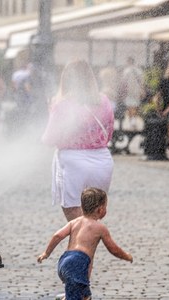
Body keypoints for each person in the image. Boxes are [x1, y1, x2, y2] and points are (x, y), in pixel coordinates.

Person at [42, 60, 114, 222]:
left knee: (75, 218)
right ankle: (87, 247)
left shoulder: (63, 105)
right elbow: (109, 134)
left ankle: (77, 247)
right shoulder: (104, 101)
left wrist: (51, 111)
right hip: (102, 160)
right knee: (93, 218)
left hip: (73, 162)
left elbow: (49, 138)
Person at [37, 187, 133, 300]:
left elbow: (57, 236)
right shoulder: (100, 228)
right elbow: (113, 249)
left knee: (85, 295)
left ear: (82, 207)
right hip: (78, 263)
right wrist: (126, 256)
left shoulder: (74, 222)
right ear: (101, 210)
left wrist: (46, 253)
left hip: (63, 262)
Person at [119, 57, 145, 130]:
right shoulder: (139, 71)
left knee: (130, 107)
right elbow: (142, 82)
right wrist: (142, 90)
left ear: (129, 62)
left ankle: (132, 123)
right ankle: (133, 122)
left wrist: (122, 92)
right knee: (135, 107)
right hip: (136, 91)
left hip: (129, 92)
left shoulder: (126, 71)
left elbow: (123, 83)